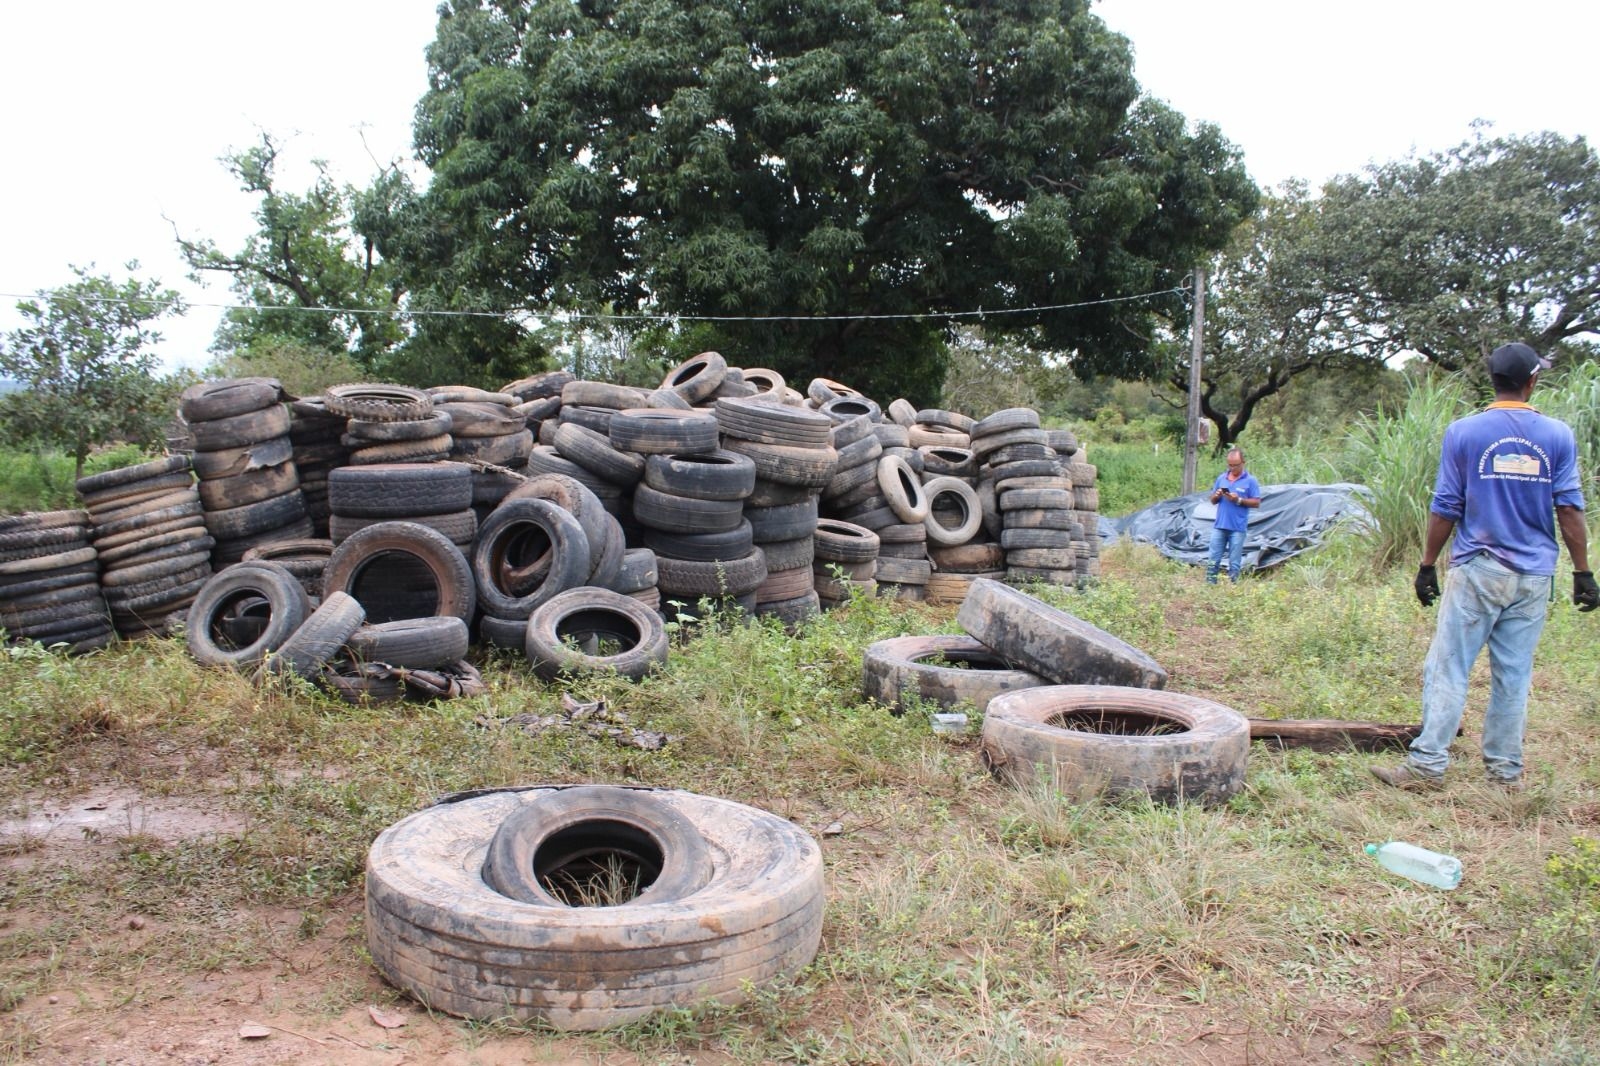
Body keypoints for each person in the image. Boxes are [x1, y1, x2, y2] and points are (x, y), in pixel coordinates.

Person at [1373, 342, 1597, 792]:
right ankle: (1504, 775)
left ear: (1493, 380)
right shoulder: (1557, 435)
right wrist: (1582, 571)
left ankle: (1426, 767)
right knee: (1513, 675)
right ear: (1532, 381)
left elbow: (1445, 506)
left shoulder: (1465, 432)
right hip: (1533, 576)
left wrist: (1427, 564)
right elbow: (1569, 508)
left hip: (1478, 568)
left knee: (1449, 667)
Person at [1205, 447, 1262, 584]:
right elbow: (1212, 501)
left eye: (1235, 465)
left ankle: (1233, 587)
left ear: (1243, 462)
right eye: (1230, 465)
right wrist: (1217, 495)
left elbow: (1256, 502)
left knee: (1234, 561)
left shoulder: (1250, 481)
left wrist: (1239, 500)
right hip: (1220, 525)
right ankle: (1210, 585)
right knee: (1213, 558)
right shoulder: (1221, 478)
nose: (1232, 468)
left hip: (1237, 527)